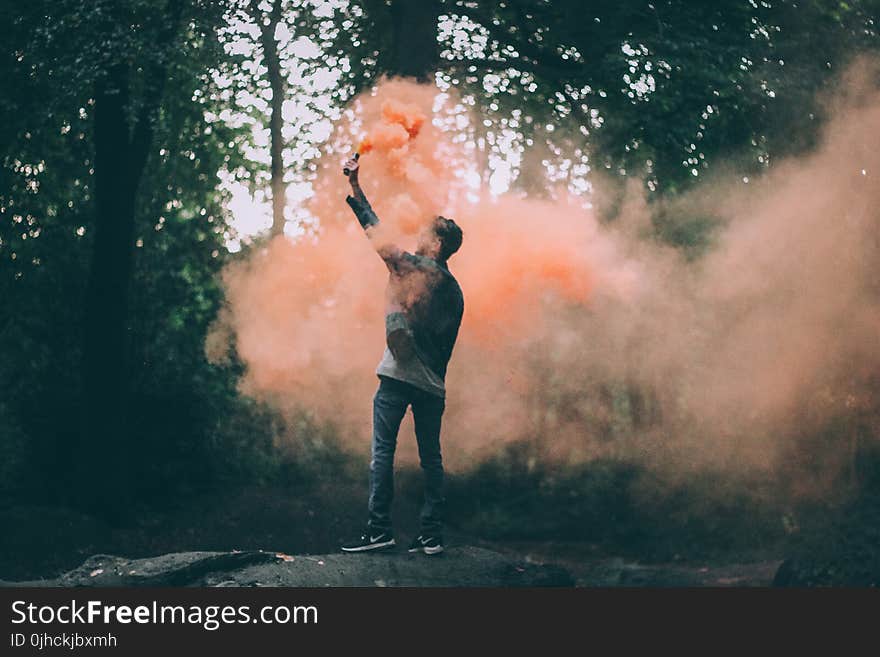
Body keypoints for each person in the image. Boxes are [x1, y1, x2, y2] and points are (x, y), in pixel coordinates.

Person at [340, 155, 464, 556]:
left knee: (383, 452)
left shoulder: (420, 270)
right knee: (432, 458)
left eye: (426, 235)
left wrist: (356, 189)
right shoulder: (456, 291)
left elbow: (381, 242)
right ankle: (431, 535)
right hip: (434, 386)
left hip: (397, 378)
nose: (419, 237)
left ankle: (379, 531)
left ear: (438, 244)